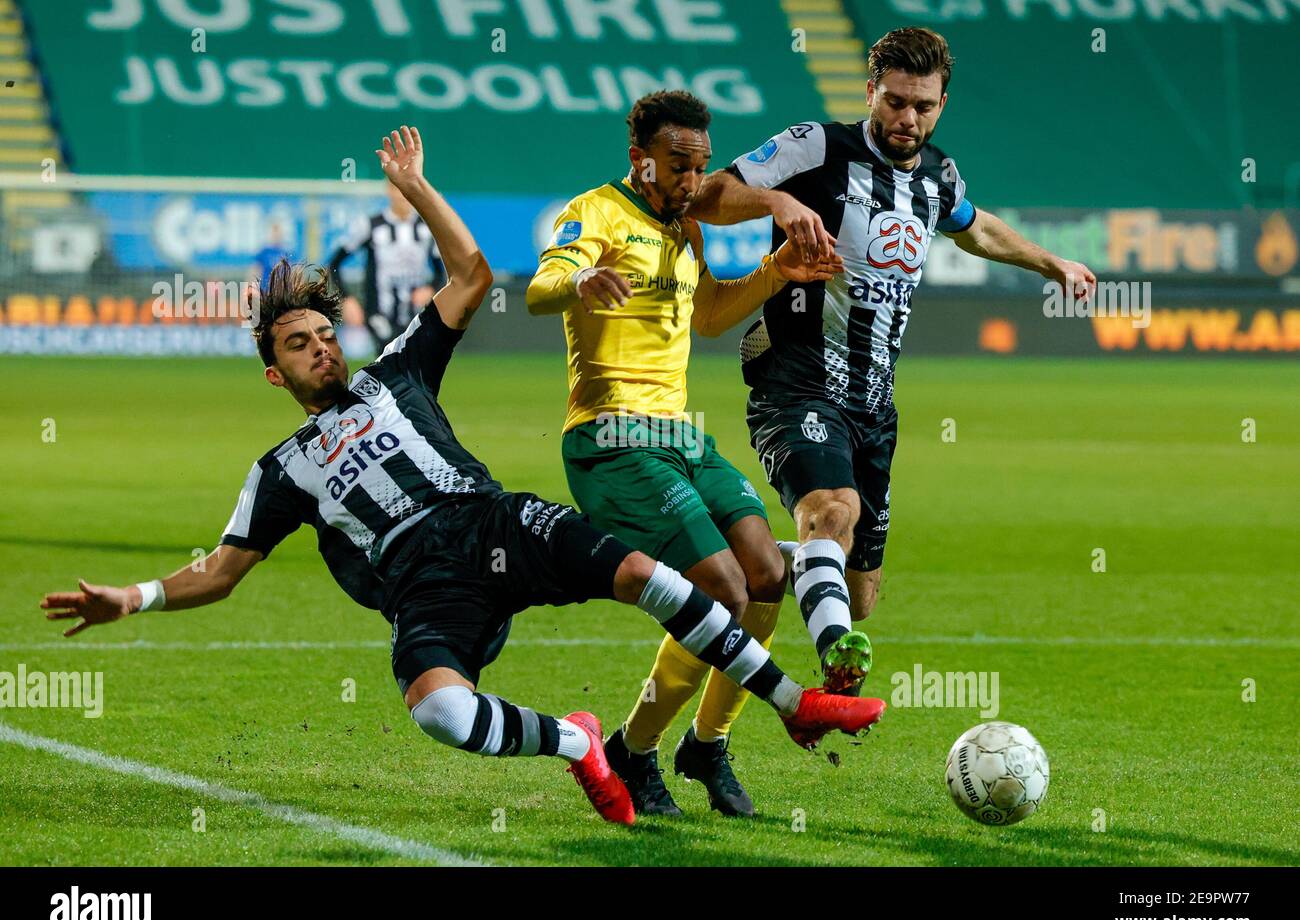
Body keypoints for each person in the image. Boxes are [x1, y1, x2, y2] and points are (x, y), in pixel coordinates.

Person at [40, 126, 885, 827]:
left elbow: (472, 275)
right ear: (276, 375)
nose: (319, 347)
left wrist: (415, 188)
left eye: (322, 335)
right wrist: (134, 598)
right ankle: (579, 743)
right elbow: (220, 570)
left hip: (494, 524)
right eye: (298, 345)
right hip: (422, 587)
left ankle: (791, 704)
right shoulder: (280, 471)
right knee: (439, 712)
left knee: (653, 577)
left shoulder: (397, 371)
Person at [687, 28, 1097, 707]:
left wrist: (1050, 261)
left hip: (875, 405)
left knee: (859, 593)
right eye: (896, 102)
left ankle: (749, 556)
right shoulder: (813, 147)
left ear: (942, 104)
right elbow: (708, 195)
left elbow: (976, 226)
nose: (908, 119)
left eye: (924, 106)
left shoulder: (938, 175)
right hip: (798, 380)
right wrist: (778, 201)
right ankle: (836, 673)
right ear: (871, 90)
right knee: (833, 510)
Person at [526, 91, 844, 818]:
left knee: (766, 575)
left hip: (679, 435)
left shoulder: (688, 230)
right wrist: (579, 279)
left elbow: (706, 320)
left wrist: (775, 276)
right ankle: (633, 753)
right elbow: (541, 286)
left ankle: (706, 746)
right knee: (724, 591)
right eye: (678, 167)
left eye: (700, 167)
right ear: (641, 160)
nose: (691, 183)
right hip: (610, 438)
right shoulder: (596, 212)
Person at [328, 179, 445, 349]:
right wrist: (347, 299)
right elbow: (334, 264)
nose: (404, 196)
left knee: (413, 367)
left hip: (415, 313)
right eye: (399, 190)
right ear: (389, 190)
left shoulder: (426, 229)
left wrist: (431, 288)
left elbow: (441, 271)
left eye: (409, 190)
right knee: (390, 359)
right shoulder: (371, 226)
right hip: (379, 314)